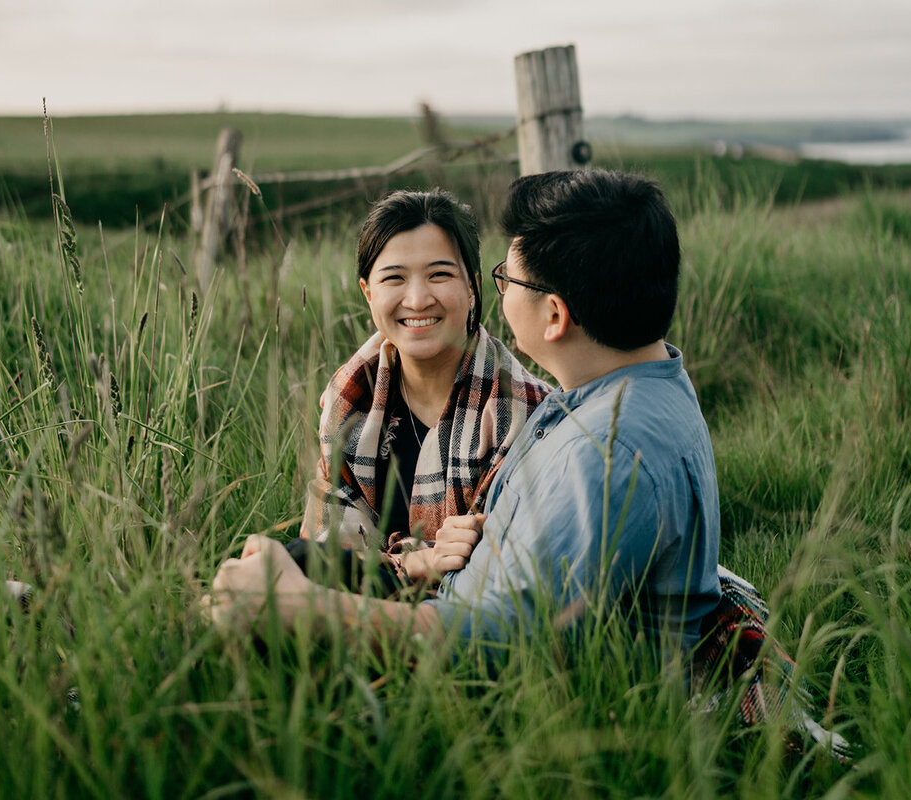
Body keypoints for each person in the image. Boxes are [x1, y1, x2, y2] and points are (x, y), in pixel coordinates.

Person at [209, 168, 721, 656]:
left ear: (554, 314)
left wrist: (307, 609)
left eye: (507, 280)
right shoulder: (610, 394)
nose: (418, 298)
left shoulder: (605, 453)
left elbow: (501, 639)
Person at [292, 189, 548, 591]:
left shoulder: (524, 411)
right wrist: (417, 561)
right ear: (368, 293)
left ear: (472, 287)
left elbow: (490, 571)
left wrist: (383, 566)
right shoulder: (348, 400)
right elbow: (324, 546)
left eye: (439, 275)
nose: (417, 299)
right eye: (394, 278)